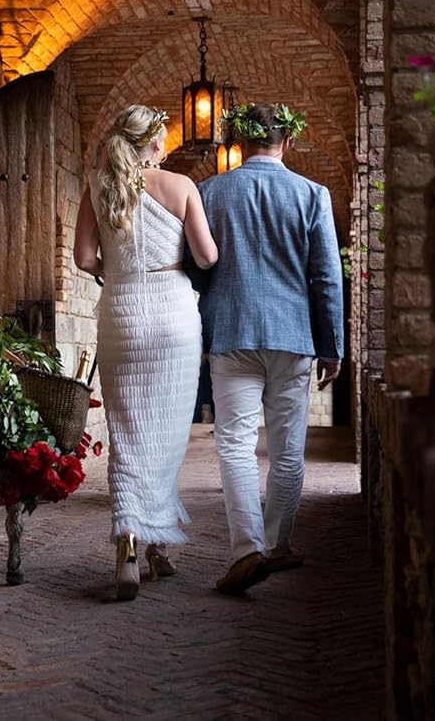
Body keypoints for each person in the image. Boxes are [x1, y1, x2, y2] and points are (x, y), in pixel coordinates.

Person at [193, 102, 343, 595]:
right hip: (293, 336)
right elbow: (326, 277)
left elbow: (197, 267)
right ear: (289, 141)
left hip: (231, 332)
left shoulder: (210, 192)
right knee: (287, 449)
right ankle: (278, 547)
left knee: (234, 444)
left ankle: (246, 549)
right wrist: (332, 345)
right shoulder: (312, 195)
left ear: (241, 142)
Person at [75, 104, 219, 601]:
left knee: (128, 431)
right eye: (163, 138)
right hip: (173, 313)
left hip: (121, 312)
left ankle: (137, 545)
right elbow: (207, 256)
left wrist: (116, 272)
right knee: (165, 435)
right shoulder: (181, 187)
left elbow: (83, 258)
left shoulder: (98, 186)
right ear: (155, 143)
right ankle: (144, 537)